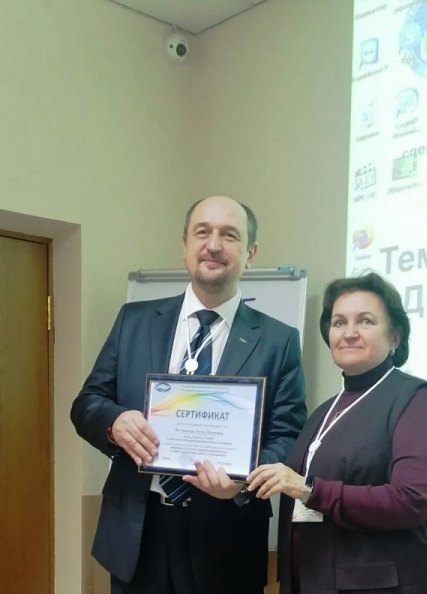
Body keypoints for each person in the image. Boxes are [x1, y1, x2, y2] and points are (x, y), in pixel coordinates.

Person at [71, 195, 307, 594]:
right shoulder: (134, 321)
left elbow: (288, 436)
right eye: (202, 232)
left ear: (250, 254)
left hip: (226, 540)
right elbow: (87, 403)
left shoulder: (278, 340)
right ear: (184, 245)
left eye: (229, 235)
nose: (213, 245)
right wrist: (114, 422)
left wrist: (242, 482)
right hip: (137, 535)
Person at [247, 272, 427, 594]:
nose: (349, 333)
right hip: (310, 580)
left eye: (366, 321)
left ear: (395, 337)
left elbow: (412, 499)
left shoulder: (417, 399)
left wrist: (310, 489)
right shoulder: (324, 411)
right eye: (339, 322)